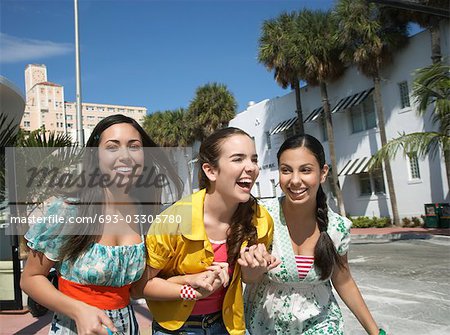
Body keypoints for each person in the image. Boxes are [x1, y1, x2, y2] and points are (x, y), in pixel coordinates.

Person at [20, 114, 181, 335]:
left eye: (134, 147)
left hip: (126, 328)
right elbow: (30, 279)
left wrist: (189, 282)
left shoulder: (147, 214)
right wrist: (78, 310)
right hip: (74, 328)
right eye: (112, 147)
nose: (125, 156)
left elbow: (137, 289)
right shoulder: (70, 210)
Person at [132, 127, 280, 335]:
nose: (251, 167)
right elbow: (139, 288)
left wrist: (255, 268)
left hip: (227, 326)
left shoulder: (261, 220)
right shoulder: (173, 221)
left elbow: (249, 279)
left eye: (254, 160)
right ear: (210, 171)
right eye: (238, 159)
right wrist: (188, 287)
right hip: (175, 330)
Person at [244, 134, 385, 335]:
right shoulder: (260, 216)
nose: (295, 180)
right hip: (263, 326)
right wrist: (254, 268)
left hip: (320, 325)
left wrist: (375, 331)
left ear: (323, 172)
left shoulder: (337, 227)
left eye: (305, 170)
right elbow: (247, 278)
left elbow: (343, 280)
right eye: (286, 170)